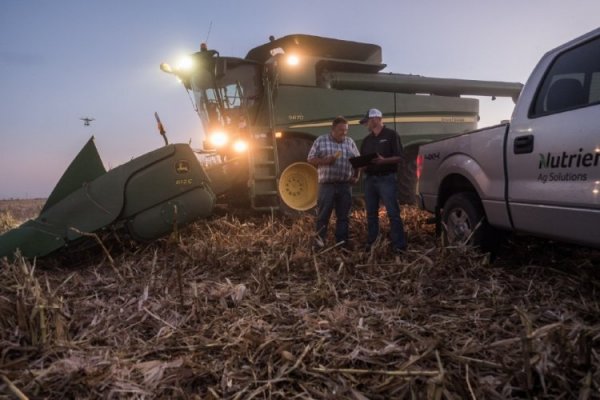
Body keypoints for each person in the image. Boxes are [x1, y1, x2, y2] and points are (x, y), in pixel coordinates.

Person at [359, 108, 407, 253]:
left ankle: (399, 245)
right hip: (370, 180)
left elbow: (400, 157)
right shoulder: (367, 140)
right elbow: (363, 160)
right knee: (371, 213)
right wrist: (359, 167)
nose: (366, 125)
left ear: (375, 119)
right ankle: (373, 242)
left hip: (387, 178)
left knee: (393, 212)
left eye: (367, 121)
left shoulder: (391, 135)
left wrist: (383, 161)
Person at [307, 116, 360, 249]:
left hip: (344, 185)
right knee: (323, 215)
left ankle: (341, 243)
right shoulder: (321, 140)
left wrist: (356, 175)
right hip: (327, 185)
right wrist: (325, 161)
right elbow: (310, 159)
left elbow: (358, 161)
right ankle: (319, 243)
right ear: (333, 129)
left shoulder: (349, 142)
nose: (344, 133)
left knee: (343, 216)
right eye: (341, 130)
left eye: (346, 130)